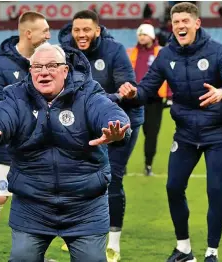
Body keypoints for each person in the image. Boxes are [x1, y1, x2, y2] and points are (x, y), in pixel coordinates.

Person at [0, 43, 131, 262]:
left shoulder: (87, 93)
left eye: (52, 65)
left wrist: (116, 129)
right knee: (22, 258)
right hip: (33, 203)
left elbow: (109, 112)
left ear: (65, 70)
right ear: (30, 71)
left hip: (85, 204)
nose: (44, 72)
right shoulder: (17, 97)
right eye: (37, 66)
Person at [119, 3, 222, 262]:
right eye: (176, 21)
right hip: (186, 133)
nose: (180, 25)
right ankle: (184, 249)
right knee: (173, 187)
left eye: (185, 21)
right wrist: (133, 94)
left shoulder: (218, 52)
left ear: (197, 23)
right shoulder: (167, 55)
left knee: (215, 190)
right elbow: (146, 90)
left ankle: (212, 252)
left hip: (217, 133)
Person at [58, 10, 143, 261]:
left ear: (97, 30)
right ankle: (82, 234)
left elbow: (126, 87)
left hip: (121, 122)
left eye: (86, 30)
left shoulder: (114, 51)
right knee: (82, 176)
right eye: (77, 30)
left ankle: (113, 244)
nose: (81, 35)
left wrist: (118, 94)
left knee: (112, 179)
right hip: (86, 123)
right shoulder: (66, 52)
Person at [0, 11, 50, 262]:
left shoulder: (47, 59)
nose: (49, 35)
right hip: (11, 142)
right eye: (44, 31)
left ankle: (35, 254)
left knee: (39, 200)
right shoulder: (0, 66)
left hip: (42, 144)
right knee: (0, 195)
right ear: (28, 33)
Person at [127, 23, 168, 176]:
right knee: (126, 132)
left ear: (151, 36)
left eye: (145, 34)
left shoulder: (161, 52)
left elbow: (168, 74)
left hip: (154, 100)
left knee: (151, 134)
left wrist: (170, 96)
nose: (142, 37)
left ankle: (148, 165)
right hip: (132, 99)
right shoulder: (130, 52)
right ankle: (122, 164)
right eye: (140, 34)